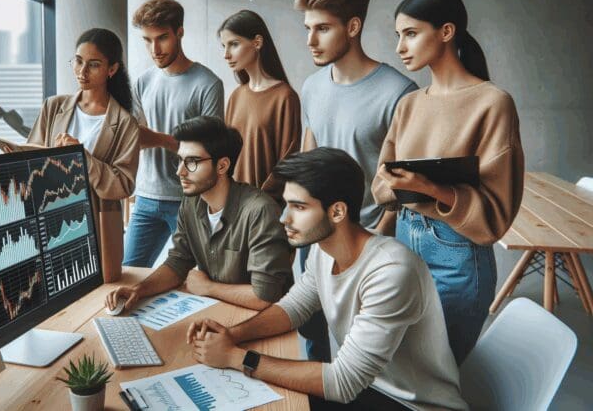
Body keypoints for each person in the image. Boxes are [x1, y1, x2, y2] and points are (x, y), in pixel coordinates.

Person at [186, 148, 467, 411]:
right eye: (286, 205)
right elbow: (292, 309)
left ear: (337, 212)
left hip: (410, 404)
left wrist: (236, 357)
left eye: (298, 207)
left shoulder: (391, 271)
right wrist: (231, 334)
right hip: (367, 390)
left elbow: (342, 383)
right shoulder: (323, 252)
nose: (284, 218)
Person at [372, 0, 524, 364]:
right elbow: (380, 184)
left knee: (439, 376)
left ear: (446, 32)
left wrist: (430, 187)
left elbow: (496, 215)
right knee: (401, 370)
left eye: (410, 33)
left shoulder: (492, 103)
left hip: (456, 255)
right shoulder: (408, 104)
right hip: (404, 241)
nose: (399, 47)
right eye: (398, 36)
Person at [294, 0, 418, 366]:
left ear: (352, 26)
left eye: (323, 29)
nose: (311, 40)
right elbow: (307, 165)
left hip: (367, 247)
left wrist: (372, 250)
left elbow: (404, 191)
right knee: (314, 347)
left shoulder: (399, 94)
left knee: (363, 363)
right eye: (308, 29)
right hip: (314, 243)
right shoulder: (311, 87)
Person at [106, 116, 292, 312]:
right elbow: (178, 262)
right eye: (180, 160)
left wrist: (208, 288)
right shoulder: (192, 202)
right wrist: (138, 290)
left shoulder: (260, 211)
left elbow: (265, 296)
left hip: (266, 324)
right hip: (217, 312)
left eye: (192, 162)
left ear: (222, 166)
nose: (180, 172)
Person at [27, 28, 139, 283]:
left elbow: (123, 185)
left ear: (111, 69)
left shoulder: (124, 123)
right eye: (78, 61)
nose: (82, 71)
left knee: (92, 295)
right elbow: (31, 158)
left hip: (96, 227)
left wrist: (81, 157)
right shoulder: (53, 107)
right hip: (50, 220)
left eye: (93, 65)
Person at [124, 0, 225, 269]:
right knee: (127, 273)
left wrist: (157, 139)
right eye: (147, 40)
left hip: (190, 200)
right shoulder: (144, 82)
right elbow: (132, 137)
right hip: (146, 198)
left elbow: (210, 151)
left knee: (199, 279)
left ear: (180, 32)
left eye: (162, 38)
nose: (154, 48)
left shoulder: (208, 84)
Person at [219, 10, 301, 205]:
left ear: (257, 42)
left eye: (234, 44)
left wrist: (260, 202)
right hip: (233, 205)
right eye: (224, 46)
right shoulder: (236, 96)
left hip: (266, 207)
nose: (226, 54)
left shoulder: (285, 97)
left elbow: (288, 160)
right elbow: (225, 153)